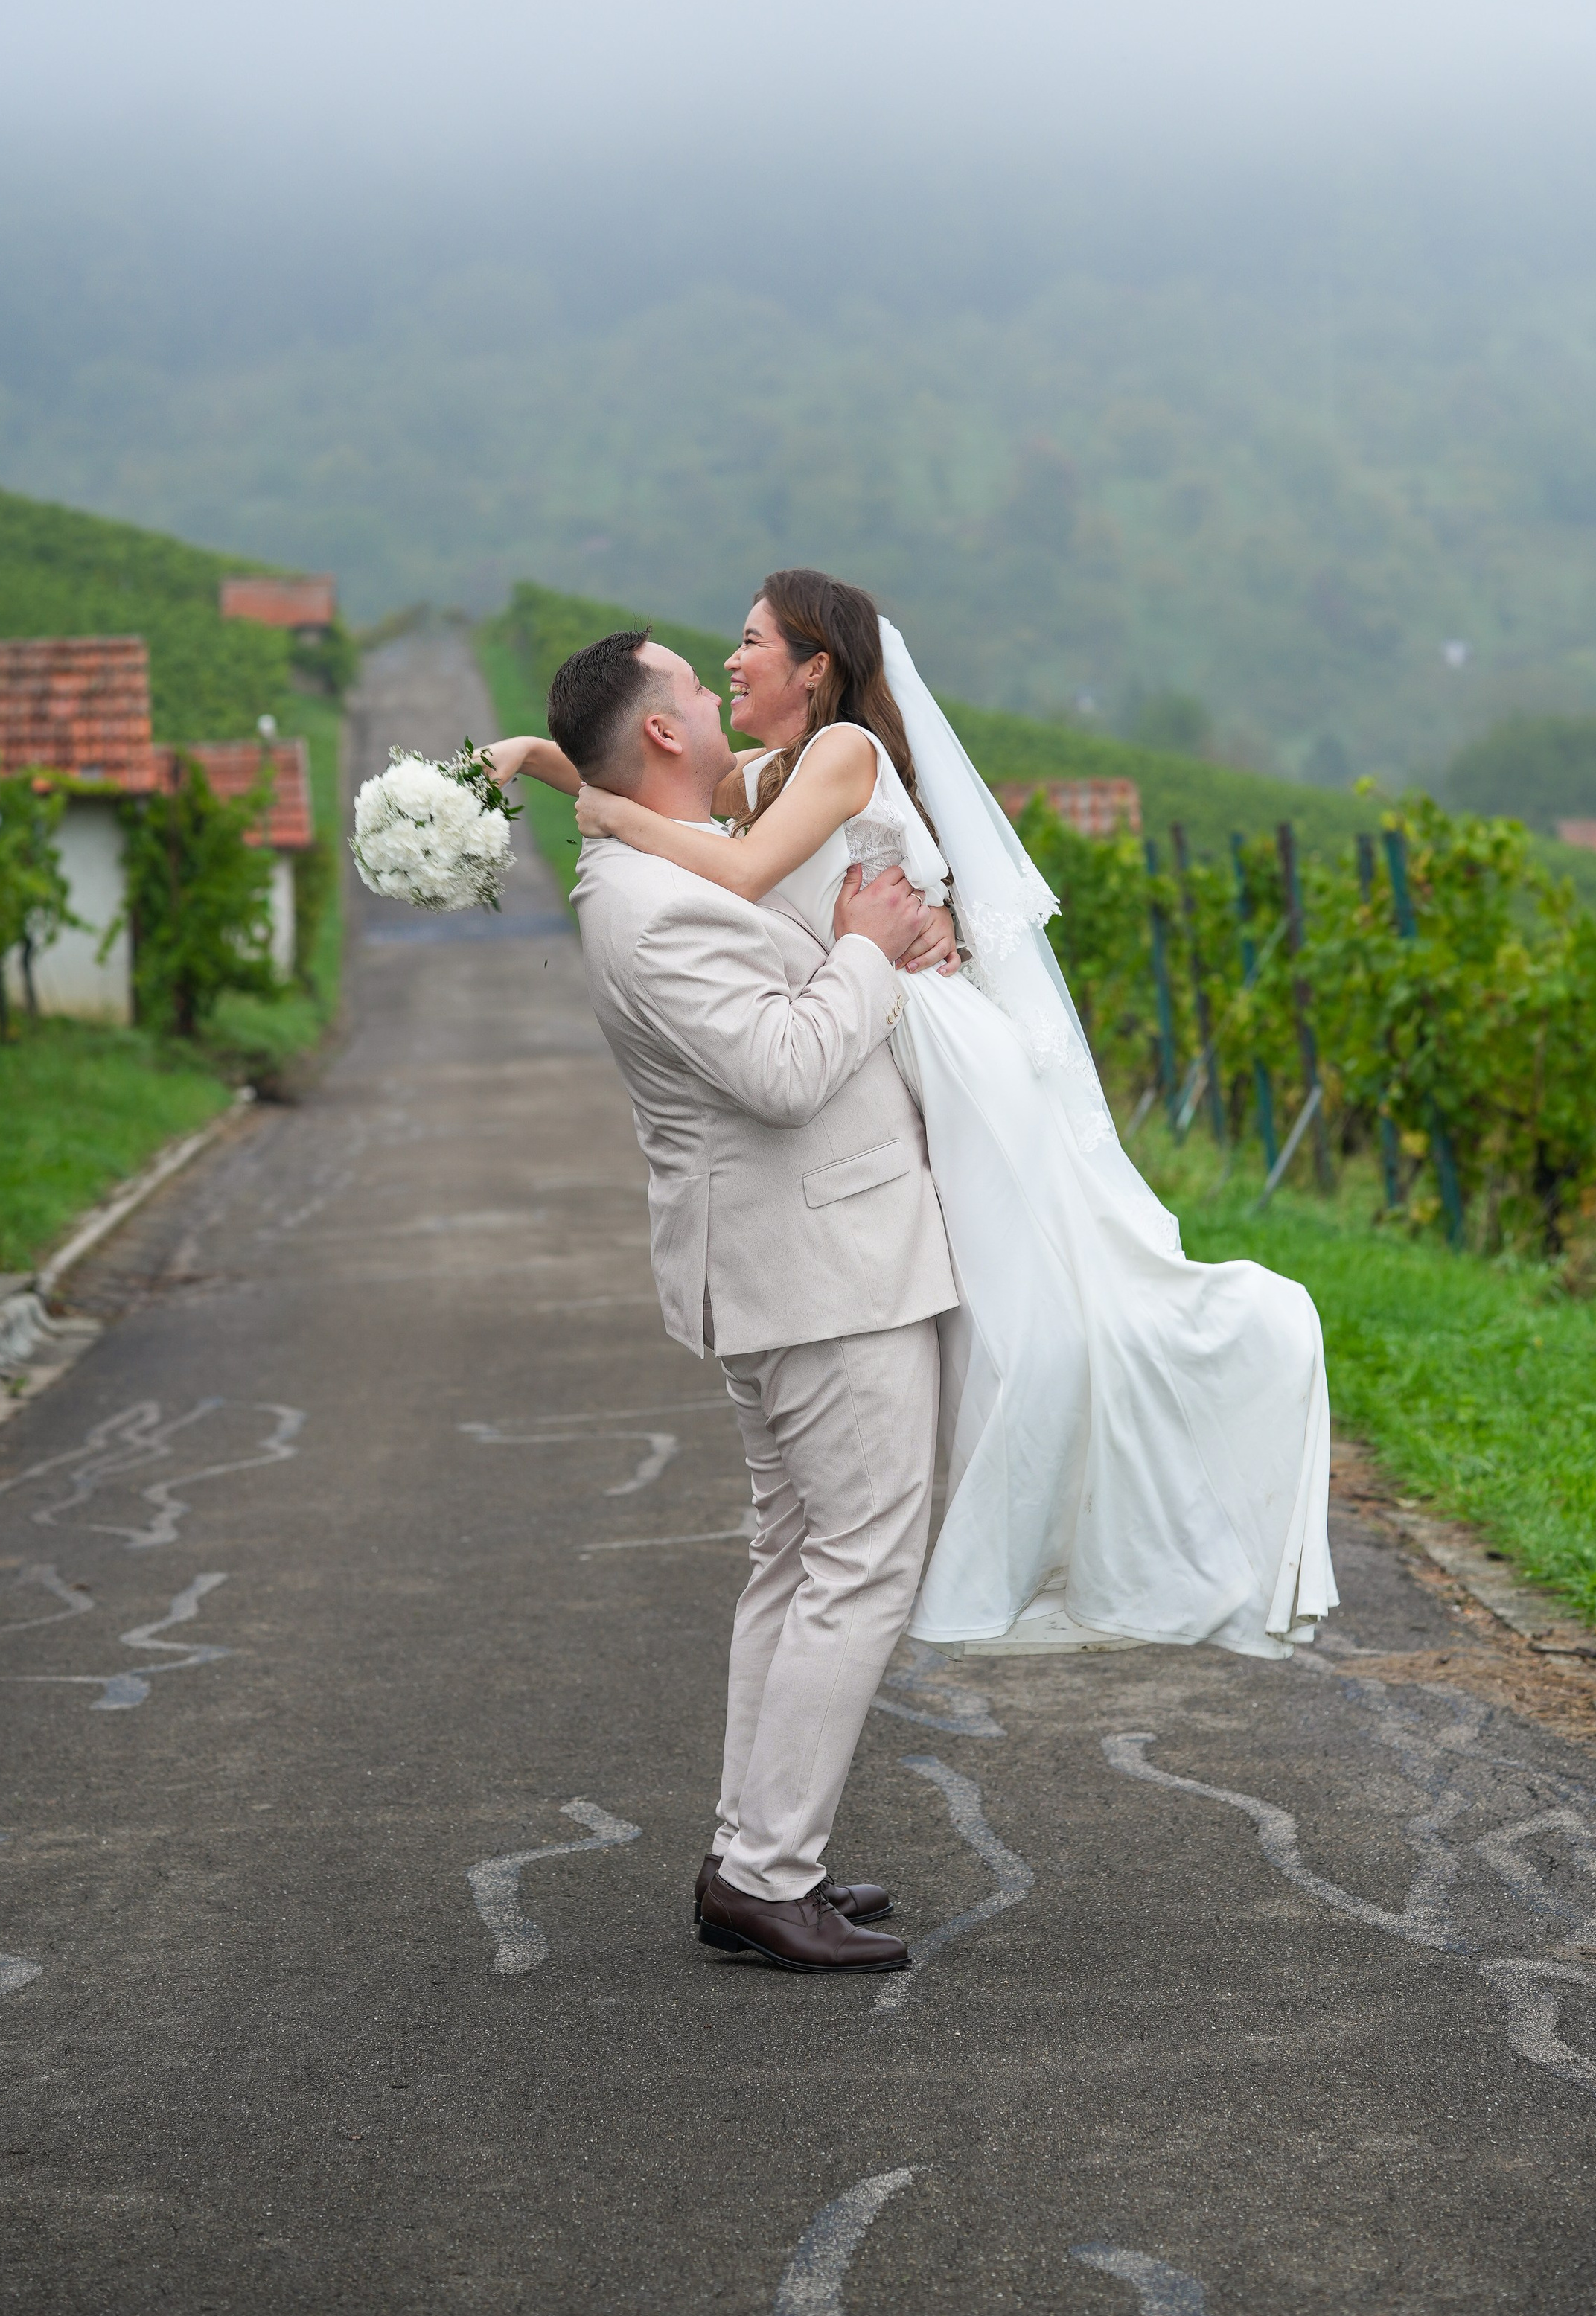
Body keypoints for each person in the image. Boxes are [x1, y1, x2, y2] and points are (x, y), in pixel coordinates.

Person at [493, 572, 1336, 1668]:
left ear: (816, 669)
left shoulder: (845, 755)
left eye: (748, 647)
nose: (732, 666)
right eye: (718, 662)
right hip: (884, 1031)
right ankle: (1038, 1521)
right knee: (1005, 1320)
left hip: (934, 1042)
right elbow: (649, 778)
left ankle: (1194, 1428)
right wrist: (530, 756)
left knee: (1043, 1311)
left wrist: (600, 815)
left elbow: (732, 862)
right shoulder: (779, 772)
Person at [532, 628, 963, 1977]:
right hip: (821, 1273)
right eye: (691, 687)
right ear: (661, 732)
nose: (721, 698)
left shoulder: (655, 868)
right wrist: (867, 952)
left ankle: (756, 1847)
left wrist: (551, 773)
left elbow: (732, 847)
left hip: (797, 1264)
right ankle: (769, 1876)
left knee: (798, 1555)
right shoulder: (652, 912)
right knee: (861, 1560)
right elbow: (782, 1073)